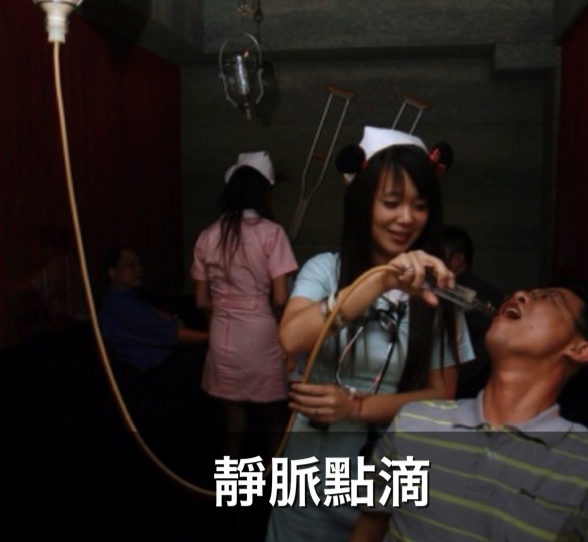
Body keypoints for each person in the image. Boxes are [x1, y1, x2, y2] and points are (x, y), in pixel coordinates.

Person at [265, 126, 475, 542]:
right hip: (312, 471)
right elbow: (292, 338)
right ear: (363, 203)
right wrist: (381, 281)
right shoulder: (325, 270)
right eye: (391, 203)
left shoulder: (437, 291)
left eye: (420, 206)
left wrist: (356, 406)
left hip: (391, 474)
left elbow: (441, 398)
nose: (407, 218)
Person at [350, 280, 588, 542]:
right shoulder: (415, 421)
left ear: (579, 349)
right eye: (526, 292)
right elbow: (368, 530)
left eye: (549, 298)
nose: (520, 295)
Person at [191, 150, 298, 462]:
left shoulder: (208, 235)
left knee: (234, 425)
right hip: (261, 335)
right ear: (263, 192)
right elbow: (281, 298)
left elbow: (201, 300)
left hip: (222, 336)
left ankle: (230, 491)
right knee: (274, 420)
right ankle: (274, 489)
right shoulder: (272, 233)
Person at [97, 246, 210, 433]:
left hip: (161, 372)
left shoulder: (128, 299)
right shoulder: (119, 305)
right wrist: (212, 338)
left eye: (139, 265)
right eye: (130, 265)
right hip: (156, 379)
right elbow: (174, 334)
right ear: (113, 272)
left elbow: (165, 321)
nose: (138, 270)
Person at [442, 224, 506, 399]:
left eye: (436, 254)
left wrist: (454, 378)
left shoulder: (474, 295)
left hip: (466, 393)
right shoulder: (444, 290)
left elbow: (485, 348)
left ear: (457, 260)